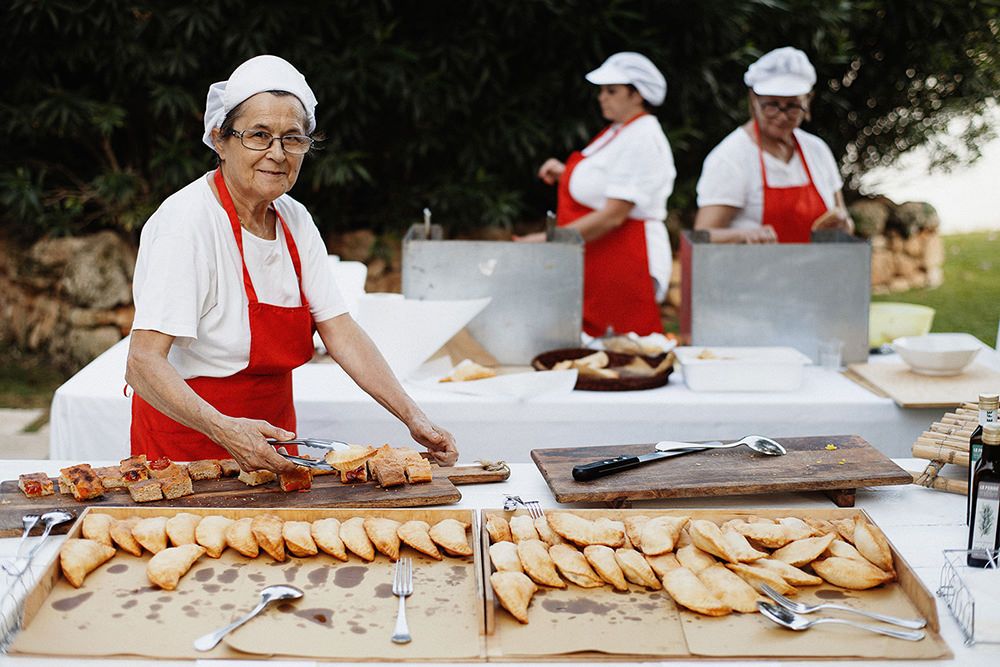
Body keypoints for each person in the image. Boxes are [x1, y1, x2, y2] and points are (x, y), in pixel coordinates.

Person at [125, 55, 458, 473]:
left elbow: (340, 330)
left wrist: (413, 416)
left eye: (293, 138)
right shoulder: (186, 223)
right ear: (220, 140)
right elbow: (143, 363)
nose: (277, 154)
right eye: (259, 136)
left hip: (273, 442)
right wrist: (225, 430)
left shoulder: (294, 218)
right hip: (187, 445)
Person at [516, 52, 675, 337]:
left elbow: (613, 215)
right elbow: (606, 181)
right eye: (602, 91)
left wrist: (549, 239)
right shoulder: (621, 130)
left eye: (612, 91)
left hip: (628, 258)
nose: (602, 97)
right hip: (604, 254)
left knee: (624, 349)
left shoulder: (642, 137)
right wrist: (567, 173)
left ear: (637, 95)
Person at [694, 47, 854, 244]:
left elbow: (842, 217)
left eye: (793, 106)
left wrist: (843, 225)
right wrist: (744, 235)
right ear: (753, 100)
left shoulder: (817, 151)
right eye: (771, 105)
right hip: (753, 272)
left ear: (808, 102)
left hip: (817, 272)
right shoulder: (731, 157)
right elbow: (703, 237)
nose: (782, 115)